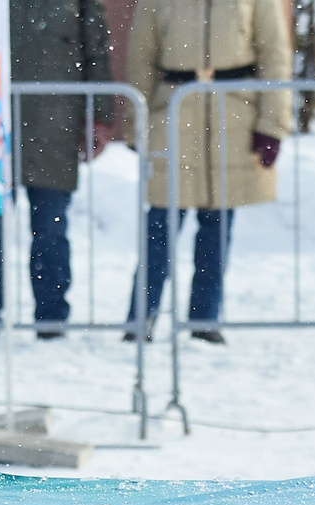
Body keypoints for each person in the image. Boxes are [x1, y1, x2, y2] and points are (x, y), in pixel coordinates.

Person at [123, 0, 290, 343]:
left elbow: (275, 54)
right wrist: (134, 122)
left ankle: (205, 319)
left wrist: (272, 123)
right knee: (160, 224)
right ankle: (141, 318)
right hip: (173, 112)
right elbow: (142, 57)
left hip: (234, 113)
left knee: (218, 225)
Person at [0, 0, 111, 339]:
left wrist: (100, 114)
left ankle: (51, 321)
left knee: (50, 229)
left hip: (55, 124)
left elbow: (95, 46)